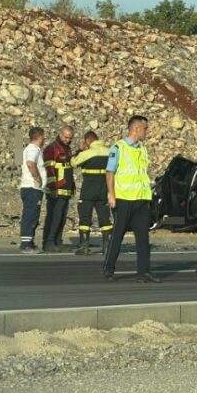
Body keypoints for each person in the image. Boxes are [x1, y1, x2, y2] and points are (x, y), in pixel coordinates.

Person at [101, 115, 161, 283]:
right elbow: (110, 172)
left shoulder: (142, 149)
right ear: (136, 129)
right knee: (118, 235)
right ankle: (108, 269)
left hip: (141, 200)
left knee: (143, 238)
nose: (147, 132)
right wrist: (111, 194)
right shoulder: (118, 148)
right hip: (124, 199)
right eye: (145, 128)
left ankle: (144, 271)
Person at [70, 130, 113, 256]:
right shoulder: (110, 151)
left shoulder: (87, 153)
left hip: (88, 190)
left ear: (88, 140)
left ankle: (84, 247)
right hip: (104, 190)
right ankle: (107, 247)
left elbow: (73, 162)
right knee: (105, 218)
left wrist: (80, 150)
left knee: (85, 217)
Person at [42, 126, 75, 252]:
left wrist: (72, 187)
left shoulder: (67, 149)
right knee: (54, 217)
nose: (67, 140)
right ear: (60, 134)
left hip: (65, 189)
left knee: (62, 217)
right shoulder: (52, 148)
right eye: (66, 137)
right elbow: (49, 169)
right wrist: (52, 187)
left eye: (70, 138)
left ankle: (57, 241)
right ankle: (49, 242)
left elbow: (68, 169)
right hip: (56, 189)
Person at [19, 127, 47, 254]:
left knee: (32, 214)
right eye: (44, 137)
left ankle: (29, 241)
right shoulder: (33, 149)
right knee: (30, 215)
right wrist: (38, 178)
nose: (45, 139)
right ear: (40, 137)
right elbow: (31, 163)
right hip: (32, 188)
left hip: (31, 188)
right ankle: (26, 244)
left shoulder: (32, 149)